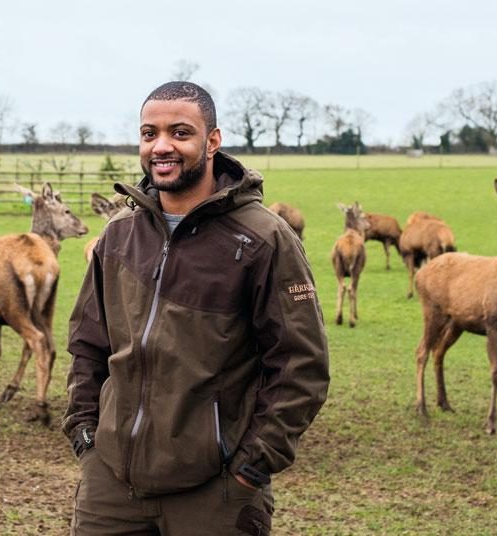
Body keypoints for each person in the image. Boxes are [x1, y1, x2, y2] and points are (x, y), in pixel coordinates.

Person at [62, 81, 330, 535]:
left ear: (212, 141)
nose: (162, 146)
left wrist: (251, 467)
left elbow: (300, 366)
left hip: (216, 494)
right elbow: (88, 345)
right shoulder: (119, 236)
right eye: (150, 134)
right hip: (111, 488)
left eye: (180, 132)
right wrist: (85, 435)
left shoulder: (263, 239)